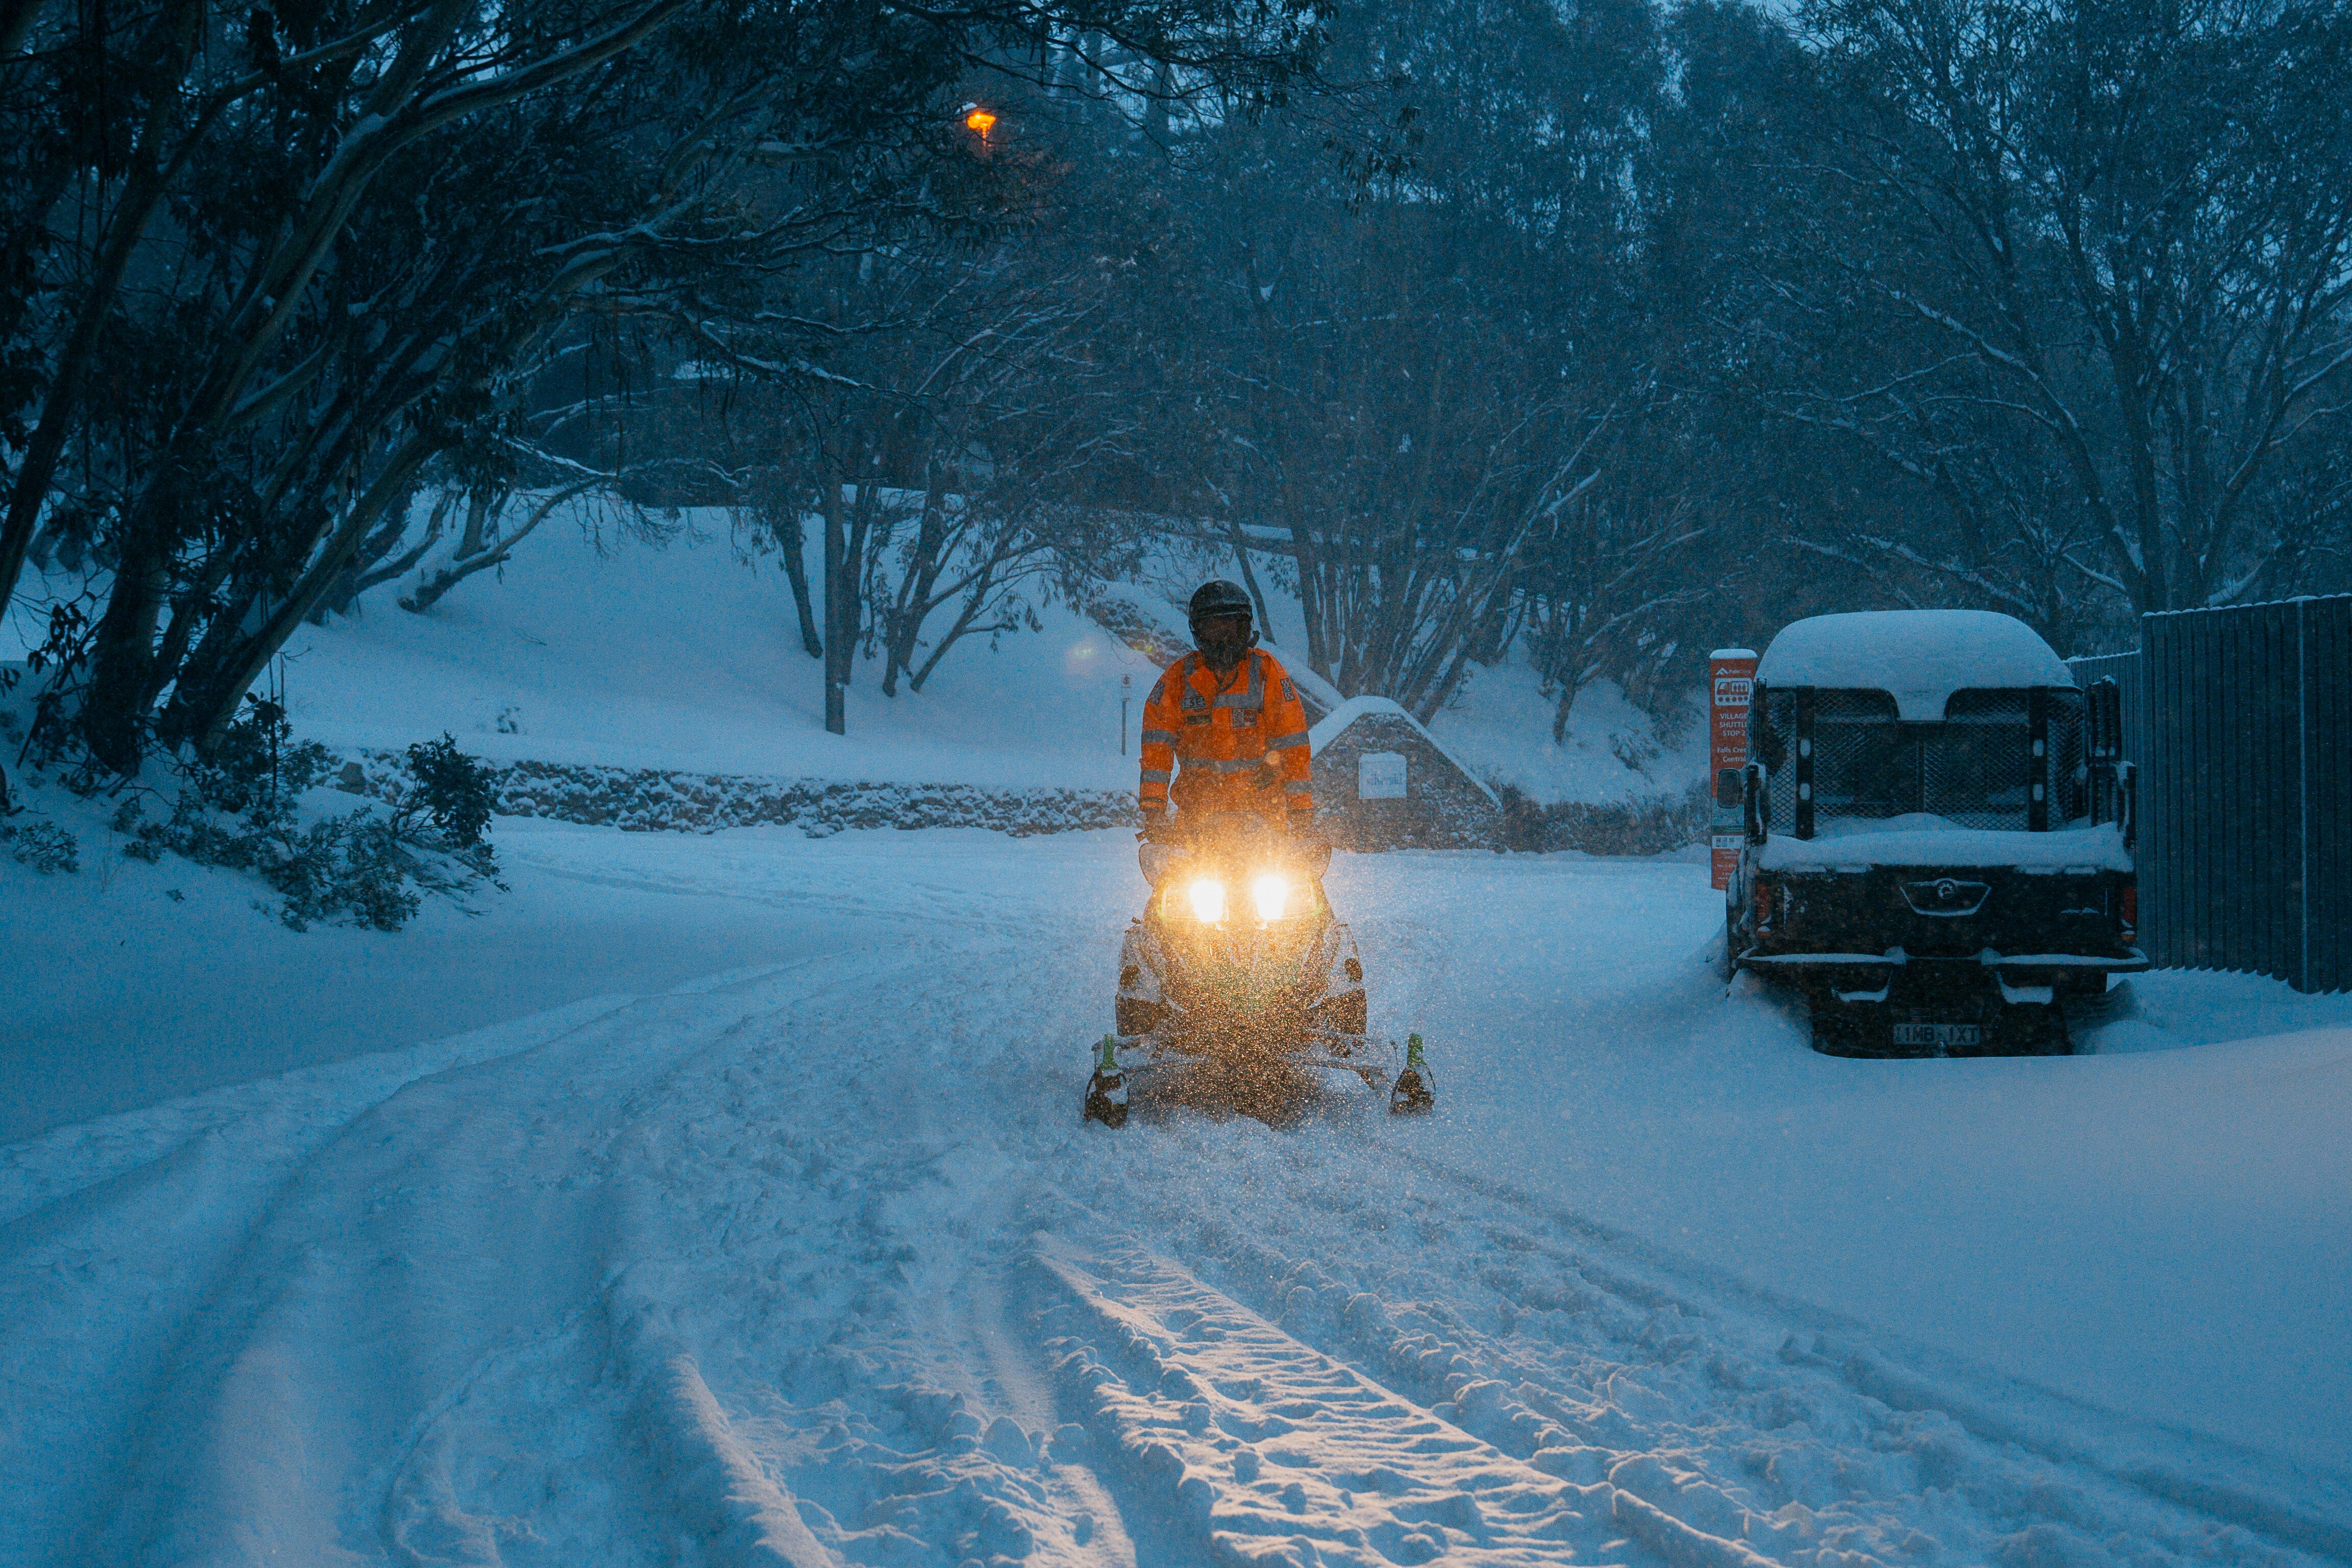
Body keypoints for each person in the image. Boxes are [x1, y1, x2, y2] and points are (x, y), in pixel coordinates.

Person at [1138, 580, 1315, 839]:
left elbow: (1294, 747)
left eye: (1232, 627)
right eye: (1214, 628)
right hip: (1197, 823)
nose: (1224, 638)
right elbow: (1156, 749)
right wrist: (1154, 812)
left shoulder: (1266, 672)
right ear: (1198, 631)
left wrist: (1302, 817)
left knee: (1296, 866)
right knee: (1168, 866)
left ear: (1246, 627)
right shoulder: (1178, 680)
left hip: (1263, 822)